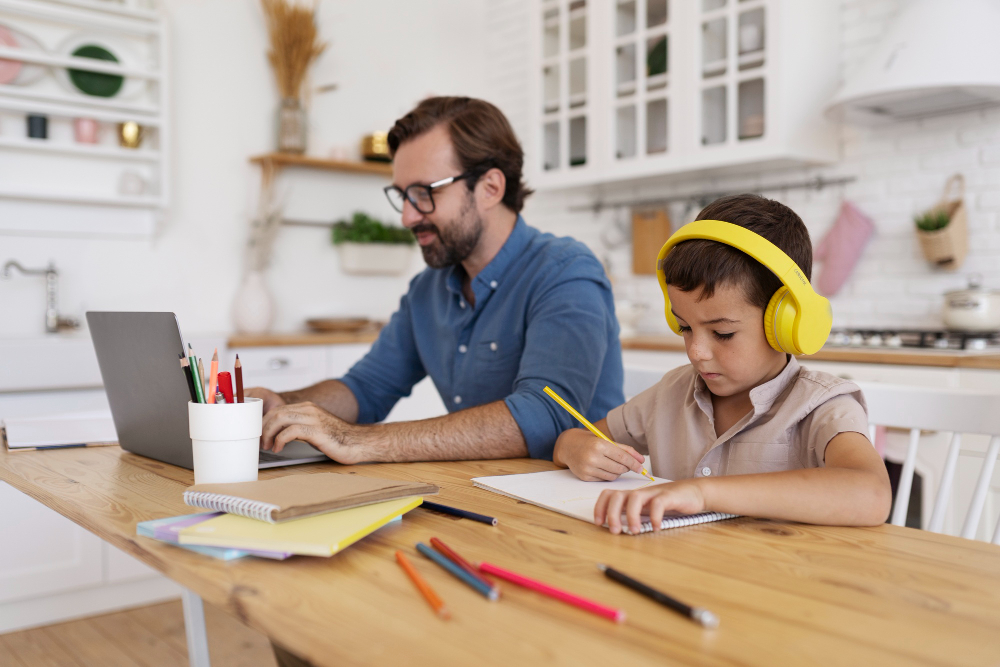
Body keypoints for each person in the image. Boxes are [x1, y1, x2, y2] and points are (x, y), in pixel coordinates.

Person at [248, 97, 623, 464]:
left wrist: (355, 440)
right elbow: (367, 388)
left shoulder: (566, 272)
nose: (407, 217)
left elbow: (545, 414)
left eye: (424, 193)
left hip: (576, 502)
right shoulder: (428, 290)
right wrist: (286, 406)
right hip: (477, 493)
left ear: (491, 187)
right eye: (402, 196)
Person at [552, 194, 892, 534]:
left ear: (786, 323)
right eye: (685, 327)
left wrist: (702, 493)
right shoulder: (671, 394)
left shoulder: (821, 406)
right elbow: (579, 438)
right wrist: (573, 446)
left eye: (723, 333)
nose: (696, 351)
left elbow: (871, 493)